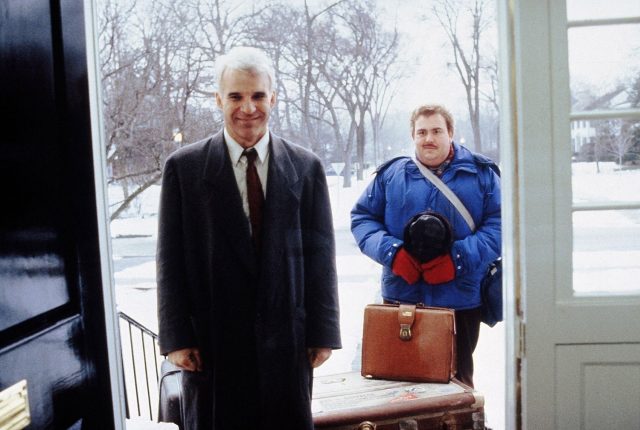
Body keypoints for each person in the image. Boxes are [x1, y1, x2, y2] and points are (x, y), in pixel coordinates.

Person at [156, 46, 341, 429]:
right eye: (236, 96)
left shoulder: (306, 169)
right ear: (218, 99)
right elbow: (169, 261)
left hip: (285, 344)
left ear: (273, 97)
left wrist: (323, 332)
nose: (248, 107)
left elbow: (321, 258)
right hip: (212, 347)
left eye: (258, 95)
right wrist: (176, 338)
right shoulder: (184, 170)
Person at [351, 104, 501, 387]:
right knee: (400, 384)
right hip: (402, 297)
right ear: (413, 136)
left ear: (451, 133)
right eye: (422, 132)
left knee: (457, 382)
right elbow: (362, 219)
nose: (428, 138)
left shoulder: (482, 175)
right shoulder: (392, 175)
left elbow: (501, 226)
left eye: (436, 131)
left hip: (461, 299)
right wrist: (392, 254)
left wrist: (457, 259)